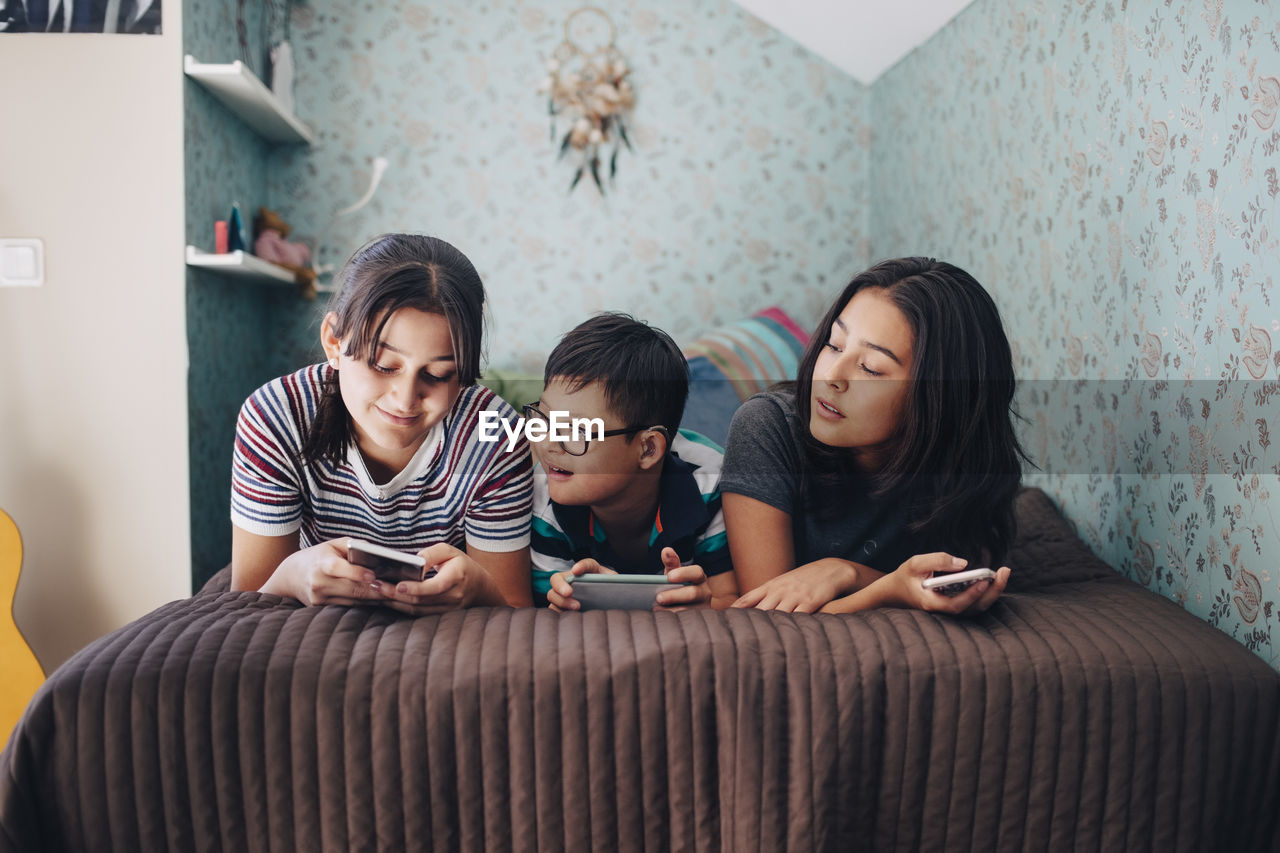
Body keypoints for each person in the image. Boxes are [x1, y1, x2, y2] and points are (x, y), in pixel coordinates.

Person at [230, 233, 534, 611]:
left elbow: (516, 611)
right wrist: (293, 575)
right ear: (334, 342)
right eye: (384, 365)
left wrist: (482, 590)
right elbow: (247, 601)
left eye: (439, 374)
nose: (405, 400)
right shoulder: (275, 417)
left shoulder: (495, 438)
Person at [720, 257, 1029, 614]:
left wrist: (847, 573)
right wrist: (885, 588)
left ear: (939, 397)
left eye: (871, 368)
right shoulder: (765, 426)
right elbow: (769, 613)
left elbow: (957, 581)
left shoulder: (967, 470)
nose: (832, 376)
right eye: (834, 345)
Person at [530, 313, 737, 610]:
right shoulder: (543, 495)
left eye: (576, 430)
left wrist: (704, 606)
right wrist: (577, 602)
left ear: (648, 449)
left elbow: (732, 599)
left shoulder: (710, 485)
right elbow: (538, 613)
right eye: (544, 418)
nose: (547, 444)